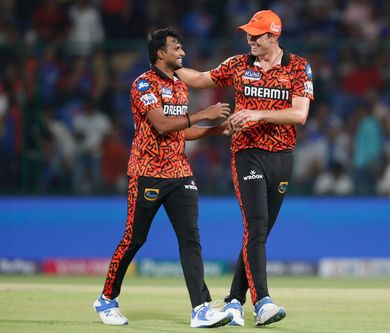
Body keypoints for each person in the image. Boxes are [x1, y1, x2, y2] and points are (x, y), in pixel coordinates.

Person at [176, 10, 314, 326]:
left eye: (257, 34)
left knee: (260, 232)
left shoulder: (298, 67)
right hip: (247, 153)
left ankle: (235, 301)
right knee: (256, 226)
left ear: (274, 36)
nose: (250, 39)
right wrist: (169, 67)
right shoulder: (238, 65)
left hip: (282, 157)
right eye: (248, 33)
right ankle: (262, 301)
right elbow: (200, 80)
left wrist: (257, 114)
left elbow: (299, 114)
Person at [93, 28, 233, 328]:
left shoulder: (180, 86)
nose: (182, 52)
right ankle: (106, 298)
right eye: (176, 47)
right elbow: (161, 124)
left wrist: (216, 131)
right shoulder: (143, 84)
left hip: (180, 172)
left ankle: (201, 308)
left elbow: (180, 132)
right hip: (147, 173)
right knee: (134, 239)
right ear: (160, 53)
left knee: (191, 238)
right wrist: (204, 114)